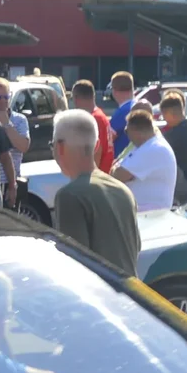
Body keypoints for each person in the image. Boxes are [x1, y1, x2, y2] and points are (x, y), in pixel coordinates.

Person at [49, 108, 139, 275]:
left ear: (60, 148)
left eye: (52, 145)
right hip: (129, 296)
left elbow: (74, 265)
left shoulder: (70, 196)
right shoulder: (123, 190)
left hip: (98, 297)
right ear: (97, 145)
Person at [109, 105, 177, 214]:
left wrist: (119, 171)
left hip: (151, 218)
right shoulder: (142, 147)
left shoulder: (154, 148)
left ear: (136, 131)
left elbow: (118, 176)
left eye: (127, 131)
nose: (127, 136)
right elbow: (116, 171)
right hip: (141, 215)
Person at [68, 80, 114, 171]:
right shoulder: (100, 115)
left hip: (99, 175)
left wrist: (90, 177)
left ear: (76, 98)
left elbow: (97, 151)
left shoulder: (93, 119)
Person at [106, 71, 137, 143]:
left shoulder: (123, 111)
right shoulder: (137, 106)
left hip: (123, 153)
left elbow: (107, 140)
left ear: (114, 90)